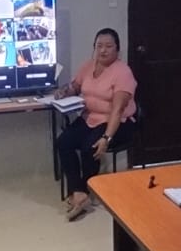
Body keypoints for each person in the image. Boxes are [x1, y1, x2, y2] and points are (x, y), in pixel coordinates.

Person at [54, 28, 138, 221]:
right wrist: (65, 91)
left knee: (89, 147)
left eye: (108, 46)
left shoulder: (123, 72)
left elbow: (118, 110)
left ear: (117, 49)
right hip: (89, 117)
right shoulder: (88, 66)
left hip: (117, 122)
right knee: (63, 142)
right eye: (99, 46)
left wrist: (106, 138)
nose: (103, 50)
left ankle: (82, 191)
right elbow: (75, 86)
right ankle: (79, 192)